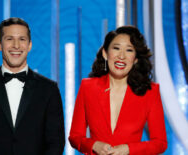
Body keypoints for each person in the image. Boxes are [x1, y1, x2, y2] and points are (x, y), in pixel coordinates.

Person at [0, 17, 65, 155]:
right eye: (9, 39)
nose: (16, 45)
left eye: (22, 39)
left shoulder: (49, 89)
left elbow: (55, 142)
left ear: (29, 45)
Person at [69, 26, 167, 155]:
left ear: (136, 59)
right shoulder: (88, 87)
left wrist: (128, 149)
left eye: (129, 50)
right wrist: (93, 145)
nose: (121, 56)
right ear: (105, 53)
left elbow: (160, 143)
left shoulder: (150, 92)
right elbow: (75, 137)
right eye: (116, 48)